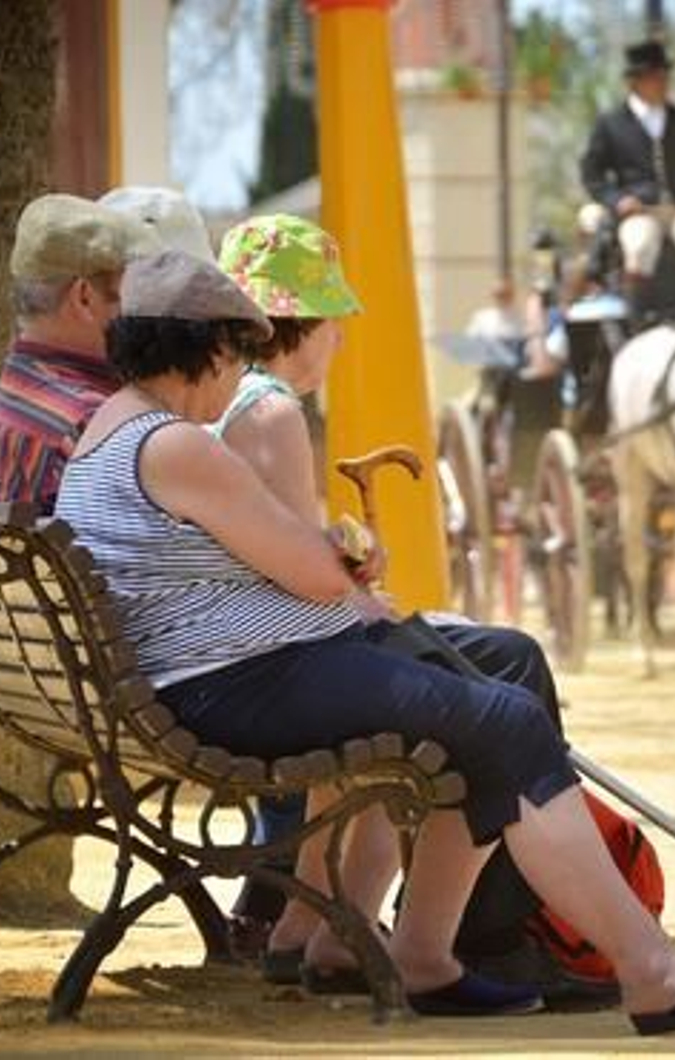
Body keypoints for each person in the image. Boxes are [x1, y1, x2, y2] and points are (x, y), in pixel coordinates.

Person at [53, 247, 675, 1032]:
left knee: (488, 708)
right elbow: (317, 574)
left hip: (210, 679)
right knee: (505, 718)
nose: (241, 373)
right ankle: (654, 975)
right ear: (205, 349)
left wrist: (331, 561)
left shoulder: (113, 428)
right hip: (235, 687)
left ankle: (430, 956)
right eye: (239, 353)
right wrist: (353, 552)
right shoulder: (177, 446)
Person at [214, 215, 606, 1007]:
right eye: (336, 324)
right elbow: (307, 590)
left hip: (229, 661)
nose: (342, 343)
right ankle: (486, 936)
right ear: (304, 324)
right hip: (272, 670)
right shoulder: (273, 412)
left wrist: (346, 569)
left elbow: (278, 553)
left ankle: (327, 928)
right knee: (509, 664)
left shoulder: (226, 402)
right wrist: (364, 592)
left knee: (461, 649)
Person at [0, 193, 159, 511]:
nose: (146, 313)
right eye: (134, 295)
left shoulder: (12, 390)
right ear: (84, 298)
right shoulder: (94, 417)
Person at [578, 40, 675, 319]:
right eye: (655, 76)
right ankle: (635, 320)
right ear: (635, 82)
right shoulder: (610, 123)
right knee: (640, 244)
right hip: (639, 211)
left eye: (664, 75)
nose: (662, 82)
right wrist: (617, 200)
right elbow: (591, 173)